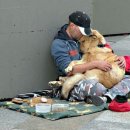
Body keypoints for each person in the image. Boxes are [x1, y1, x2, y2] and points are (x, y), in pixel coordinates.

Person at [51, 11, 130, 106]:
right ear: (72, 25)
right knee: (97, 88)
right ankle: (113, 94)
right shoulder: (59, 44)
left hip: (94, 75)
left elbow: (104, 49)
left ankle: (106, 97)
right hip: (72, 80)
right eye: (82, 31)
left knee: (127, 78)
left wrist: (119, 59)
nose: (83, 35)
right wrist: (95, 64)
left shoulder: (82, 37)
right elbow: (68, 70)